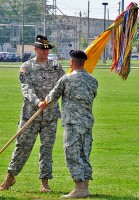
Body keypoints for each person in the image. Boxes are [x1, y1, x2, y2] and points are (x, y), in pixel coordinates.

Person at [0, 35, 65, 192]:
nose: (45, 52)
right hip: (30, 115)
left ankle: (45, 183)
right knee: (22, 147)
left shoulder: (56, 66)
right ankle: (10, 178)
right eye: (42, 49)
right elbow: (26, 88)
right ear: (35, 49)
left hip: (50, 116)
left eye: (47, 49)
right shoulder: (26, 67)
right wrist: (37, 102)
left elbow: (64, 85)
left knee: (46, 149)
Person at [41, 50, 98, 198]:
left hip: (73, 123)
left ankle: (79, 188)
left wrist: (43, 103)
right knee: (84, 154)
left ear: (72, 62)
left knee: (72, 154)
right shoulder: (93, 80)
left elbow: (53, 96)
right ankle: (85, 187)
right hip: (87, 122)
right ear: (83, 62)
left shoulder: (66, 79)